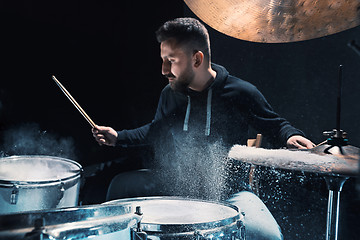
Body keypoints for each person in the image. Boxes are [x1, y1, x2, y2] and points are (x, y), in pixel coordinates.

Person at [92, 17, 314, 240]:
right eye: (163, 60)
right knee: (120, 187)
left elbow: (275, 125)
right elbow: (156, 131)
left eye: (171, 61)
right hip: (175, 185)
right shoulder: (170, 95)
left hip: (229, 192)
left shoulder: (240, 92)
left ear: (197, 59)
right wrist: (118, 137)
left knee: (268, 236)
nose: (163, 70)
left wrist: (291, 135)